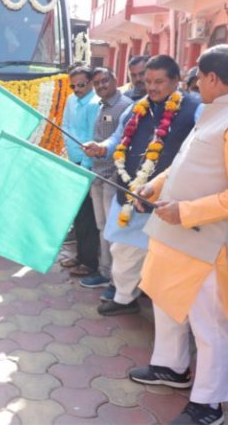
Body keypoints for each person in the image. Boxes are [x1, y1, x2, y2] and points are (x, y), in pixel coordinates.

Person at [127, 44, 228, 425]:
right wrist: (157, 186)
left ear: (212, 78)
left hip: (210, 242)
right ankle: (171, 367)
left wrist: (187, 211)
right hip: (175, 233)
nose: (195, 83)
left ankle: (209, 404)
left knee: (210, 325)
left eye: (198, 77)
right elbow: (184, 161)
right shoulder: (214, 112)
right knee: (166, 300)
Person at [85, 55, 201, 316]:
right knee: (124, 249)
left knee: (170, 255)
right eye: (147, 81)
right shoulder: (137, 107)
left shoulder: (195, 108)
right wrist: (101, 148)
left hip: (170, 198)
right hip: (130, 194)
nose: (151, 87)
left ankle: (171, 305)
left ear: (176, 80)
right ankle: (126, 299)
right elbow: (118, 138)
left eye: (159, 81)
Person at [78, 68, 132, 294]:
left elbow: (119, 141)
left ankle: (115, 281)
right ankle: (103, 272)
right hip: (97, 175)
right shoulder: (101, 106)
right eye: (97, 83)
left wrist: (102, 152)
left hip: (113, 178)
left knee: (113, 232)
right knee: (102, 228)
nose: (101, 86)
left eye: (104, 81)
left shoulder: (126, 107)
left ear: (115, 80)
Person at [59, 65, 101, 277]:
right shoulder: (71, 100)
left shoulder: (95, 104)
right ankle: (80, 256)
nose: (77, 89)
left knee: (87, 217)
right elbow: (65, 126)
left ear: (91, 82)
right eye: (73, 85)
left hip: (87, 166)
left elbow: (92, 136)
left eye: (81, 85)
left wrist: (84, 166)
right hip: (73, 162)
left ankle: (90, 261)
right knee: (77, 213)